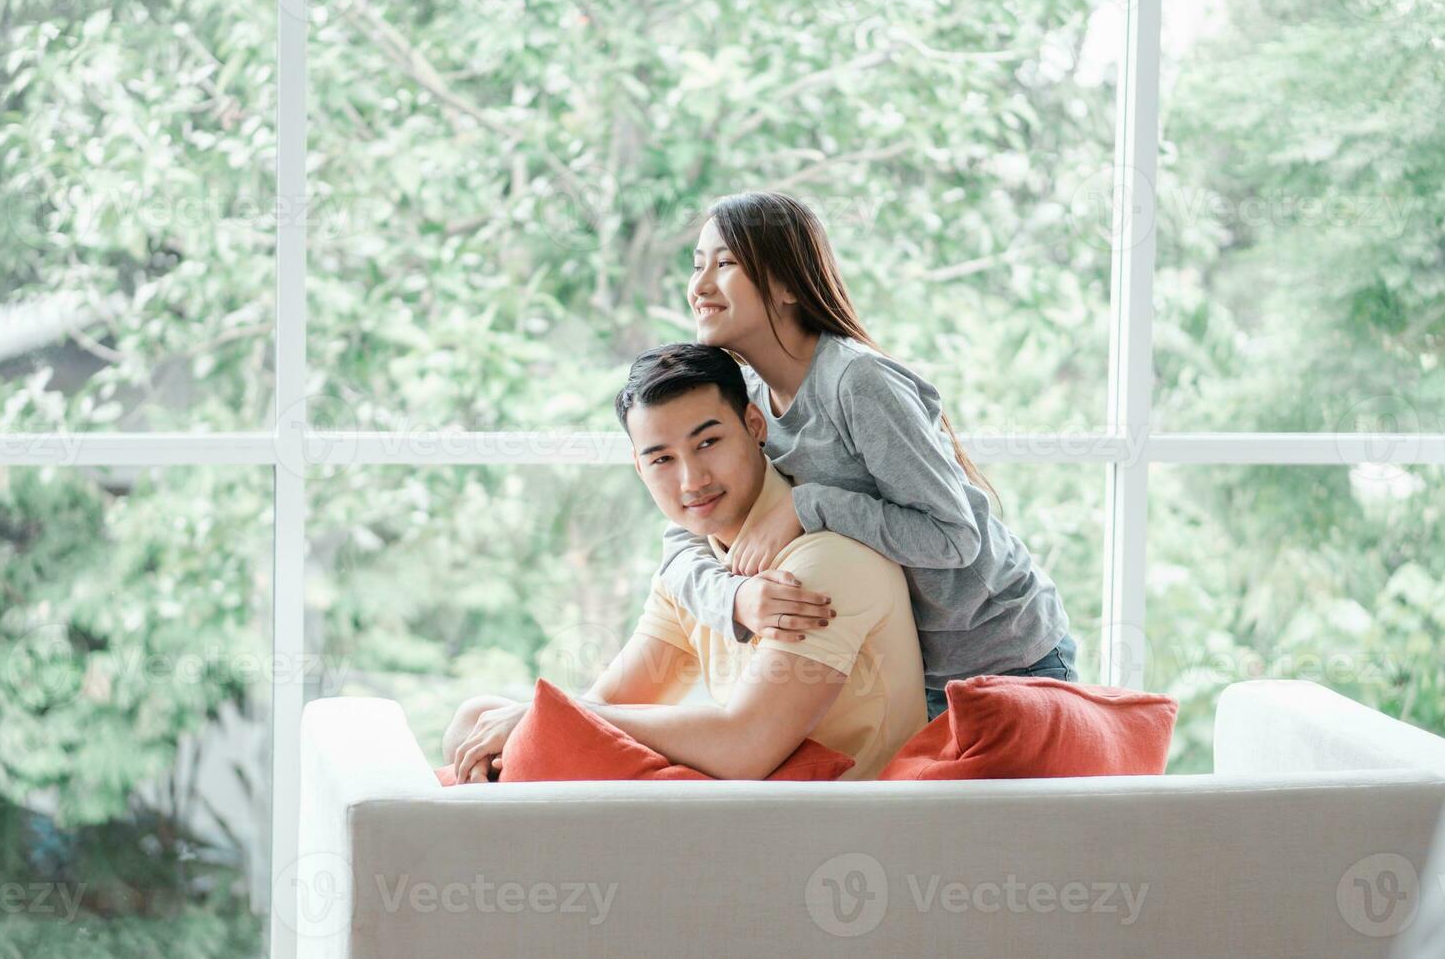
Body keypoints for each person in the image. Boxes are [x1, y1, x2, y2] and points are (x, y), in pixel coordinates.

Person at [664, 189, 1077, 722]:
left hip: (1009, 660)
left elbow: (953, 536)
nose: (699, 287)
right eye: (697, 266)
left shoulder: (858, 382)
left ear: (788, 283)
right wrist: (734, 601)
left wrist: (805, 506)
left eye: (725, 263)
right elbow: (684, 533)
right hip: (909, 672)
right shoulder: (745, 397)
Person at [443, 343, 926, 783]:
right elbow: (609, 704)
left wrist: (537, 717)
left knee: (520, 745)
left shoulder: (827, 559)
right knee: (476, 720)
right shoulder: (695, 566)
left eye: (707, 443)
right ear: (639, 467)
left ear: (754, 426)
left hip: (833, 820)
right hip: (747, 802)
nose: (691, 480)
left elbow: (745, 745)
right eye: (662, 460)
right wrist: (529, 720)